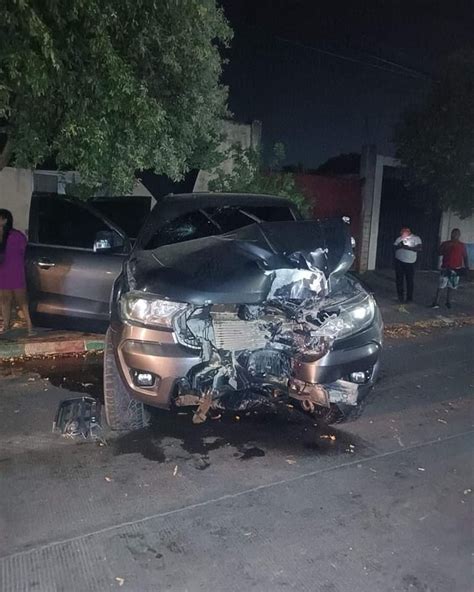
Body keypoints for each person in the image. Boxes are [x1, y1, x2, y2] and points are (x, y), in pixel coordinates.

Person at [0, 209, 34, 335]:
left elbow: (26, 252)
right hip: (3, 272)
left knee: (22, 301)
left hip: (16, 271)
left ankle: (30, 326)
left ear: (5, 220)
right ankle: (6, 325)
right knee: (4, 300)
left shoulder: (17, 235)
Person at [431, 228, 469, 309]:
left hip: (456, 269)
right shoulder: (446, 244)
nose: (454, 235)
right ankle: (436, 302)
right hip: (446, 267)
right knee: (441, 286)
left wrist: (466, 267)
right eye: (453, 233)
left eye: (456, 234)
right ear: (451, 234)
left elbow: (465, 257)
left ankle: (448, 302)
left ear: (459, 235)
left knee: (452, 286)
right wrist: (445, 248)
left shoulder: (462, 245)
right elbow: (438, 253)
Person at [393, 227, 422, 303]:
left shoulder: (416, 238)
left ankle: (409, 298)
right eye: (401, 233)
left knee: (409, 280)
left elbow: (419, 248)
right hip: (399, 261)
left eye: (404, 233)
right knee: (399, 280)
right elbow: (394, 247)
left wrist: (407, 248)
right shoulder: (399, 239)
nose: (402, 234)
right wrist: (399, 246)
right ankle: (400, 297)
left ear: (408, 232)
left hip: (410, 263)